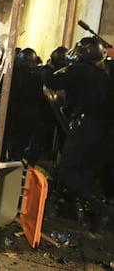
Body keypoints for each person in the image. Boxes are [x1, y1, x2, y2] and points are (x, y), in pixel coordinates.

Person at [41, 36, 112, 233]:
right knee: (85, 172)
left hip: (84, 126)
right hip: (101, 130)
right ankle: (83, 213)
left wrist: (46, 67)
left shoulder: (77, 70)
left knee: (67, 171)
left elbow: (52, 81)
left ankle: (100, 207)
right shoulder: (102, 75)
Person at [0, 47, 51, 163]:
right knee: (8, 143)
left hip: (11, 111)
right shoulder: (36, 76)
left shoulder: (22, 73)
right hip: (17, 114)